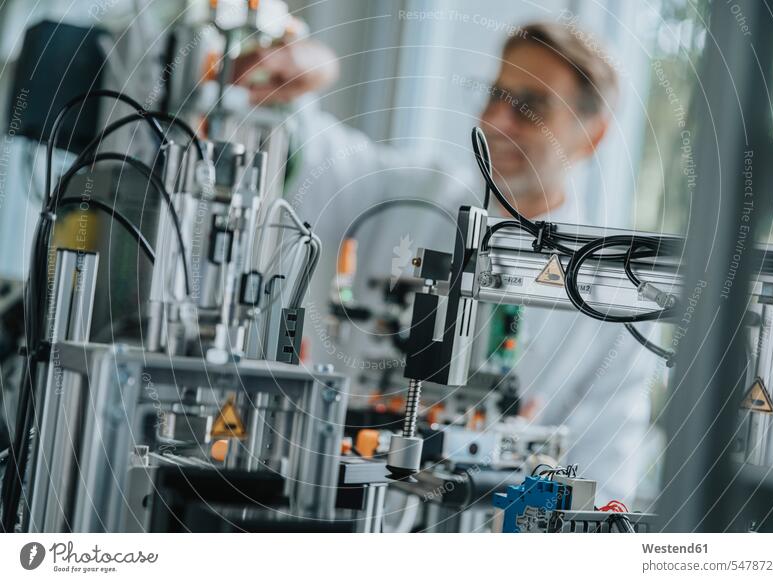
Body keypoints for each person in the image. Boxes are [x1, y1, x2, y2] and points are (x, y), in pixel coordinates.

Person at [234, 22, 662, 505]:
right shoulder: (404, 198)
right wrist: (294, 76)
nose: (498, 121)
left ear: (592, 135)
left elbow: (603, 489)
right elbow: (308, 146)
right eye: (496, 94)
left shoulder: (612, 310)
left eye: (531, 108)